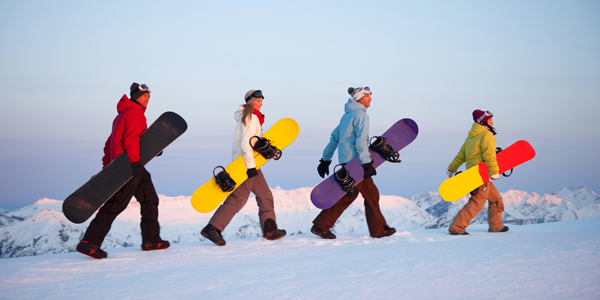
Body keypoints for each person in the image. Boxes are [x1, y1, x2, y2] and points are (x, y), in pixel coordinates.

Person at [76, 83, 170, 259]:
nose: (147, 99)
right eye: (143, 95)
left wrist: (108, 165)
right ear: (135, 96)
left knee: (150, 199)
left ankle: (151, 240)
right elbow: (131, 138)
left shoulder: (122, 115)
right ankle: (89, 243)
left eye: (149, 96)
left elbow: (109, 143)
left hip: (127, 165)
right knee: (115, 205)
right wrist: (133, 163)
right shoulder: (135, 113)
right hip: (128, 167)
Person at [201, 89, 286, 246]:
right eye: (258, 100)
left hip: (250, 164)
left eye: (261, 101)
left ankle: (270, 230)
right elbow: (246, 143)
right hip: (246, 165)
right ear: (251, 102)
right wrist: (249, 167)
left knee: (265, 195)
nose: (261, 103)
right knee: (238, 198)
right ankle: (212, 228)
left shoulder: (251, 118)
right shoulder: (251, 117)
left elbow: (253, 142)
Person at [311, 86, 396, 239]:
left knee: (371, 194)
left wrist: (325, 160)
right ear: (359, 98)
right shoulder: (361, 115)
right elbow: (361, 141)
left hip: (347, 162)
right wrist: (366, 163)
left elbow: (334, 139)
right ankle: (320, 226)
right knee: (349, 195)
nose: (371, 98)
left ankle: (379, 230)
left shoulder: (346, 116)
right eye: (368, 96)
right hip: (356, 163)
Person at [446, 110, 509, 235]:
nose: (493, 122)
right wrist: (494, 172)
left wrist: (451, 168)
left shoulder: (471, 138)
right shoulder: (487, 135)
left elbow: (460, 156)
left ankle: (496, 226)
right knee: (477, 202)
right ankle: (457, 227)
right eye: (490, 119)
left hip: (475, 173)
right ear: (484, 121)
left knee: (496, 200)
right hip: (481, 174)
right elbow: (489, 155)